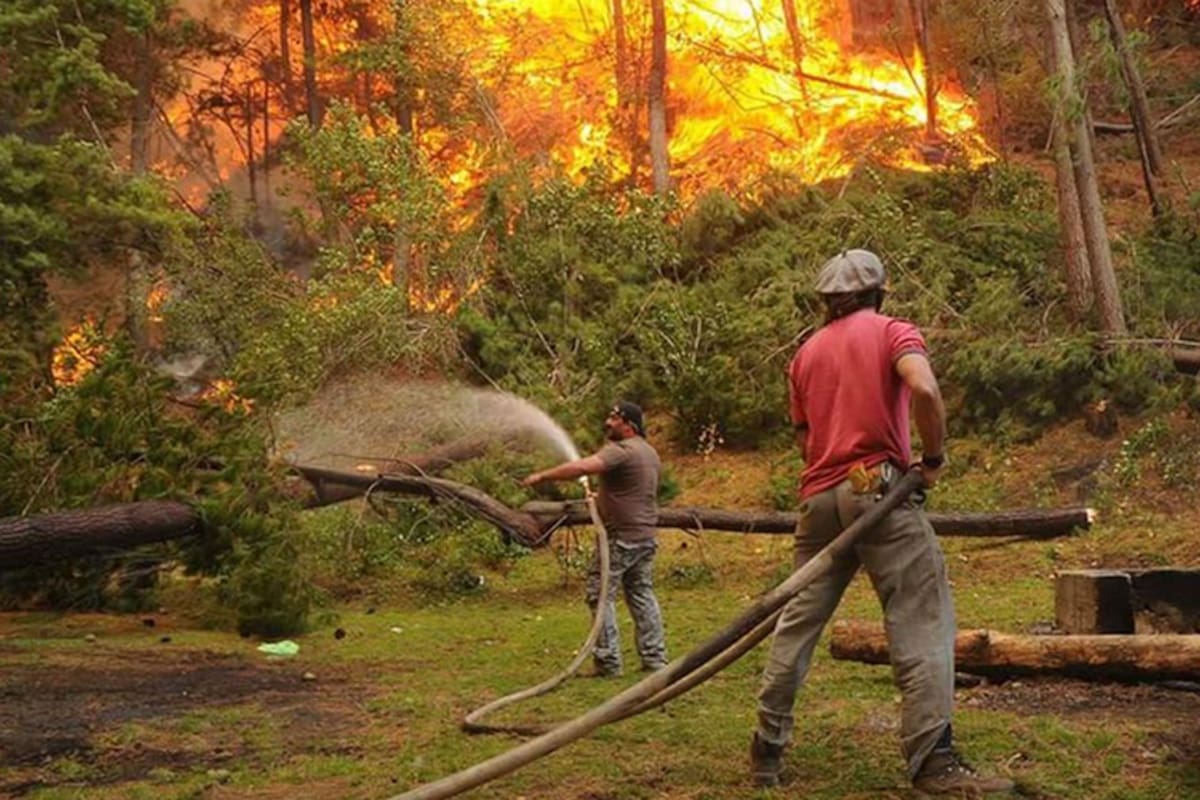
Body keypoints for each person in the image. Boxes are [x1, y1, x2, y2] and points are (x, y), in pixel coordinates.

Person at [749, 250, 1014, 796]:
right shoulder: (894, 332)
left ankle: (766, 748)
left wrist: (831, 468)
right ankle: (933, 762)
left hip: (819, 498)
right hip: (879, 491)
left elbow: (803, 436)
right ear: (879, 292)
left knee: (797, 622)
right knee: (921, 615)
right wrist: (933, 459)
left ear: (826, 301)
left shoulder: (803, 356)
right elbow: (924, 389)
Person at [523, 401, 667, 676]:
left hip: (621, 538)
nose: (608, 422)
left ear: (629, 425)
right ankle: (655, 658)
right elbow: (628, 491)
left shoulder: (621, 451)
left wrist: (543, 475)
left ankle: (608, 662)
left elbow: (583, 467)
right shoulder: (648, 452)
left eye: (614, 418)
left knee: (599, 595)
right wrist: (599, 500)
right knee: (641, 593)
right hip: (645, 536)